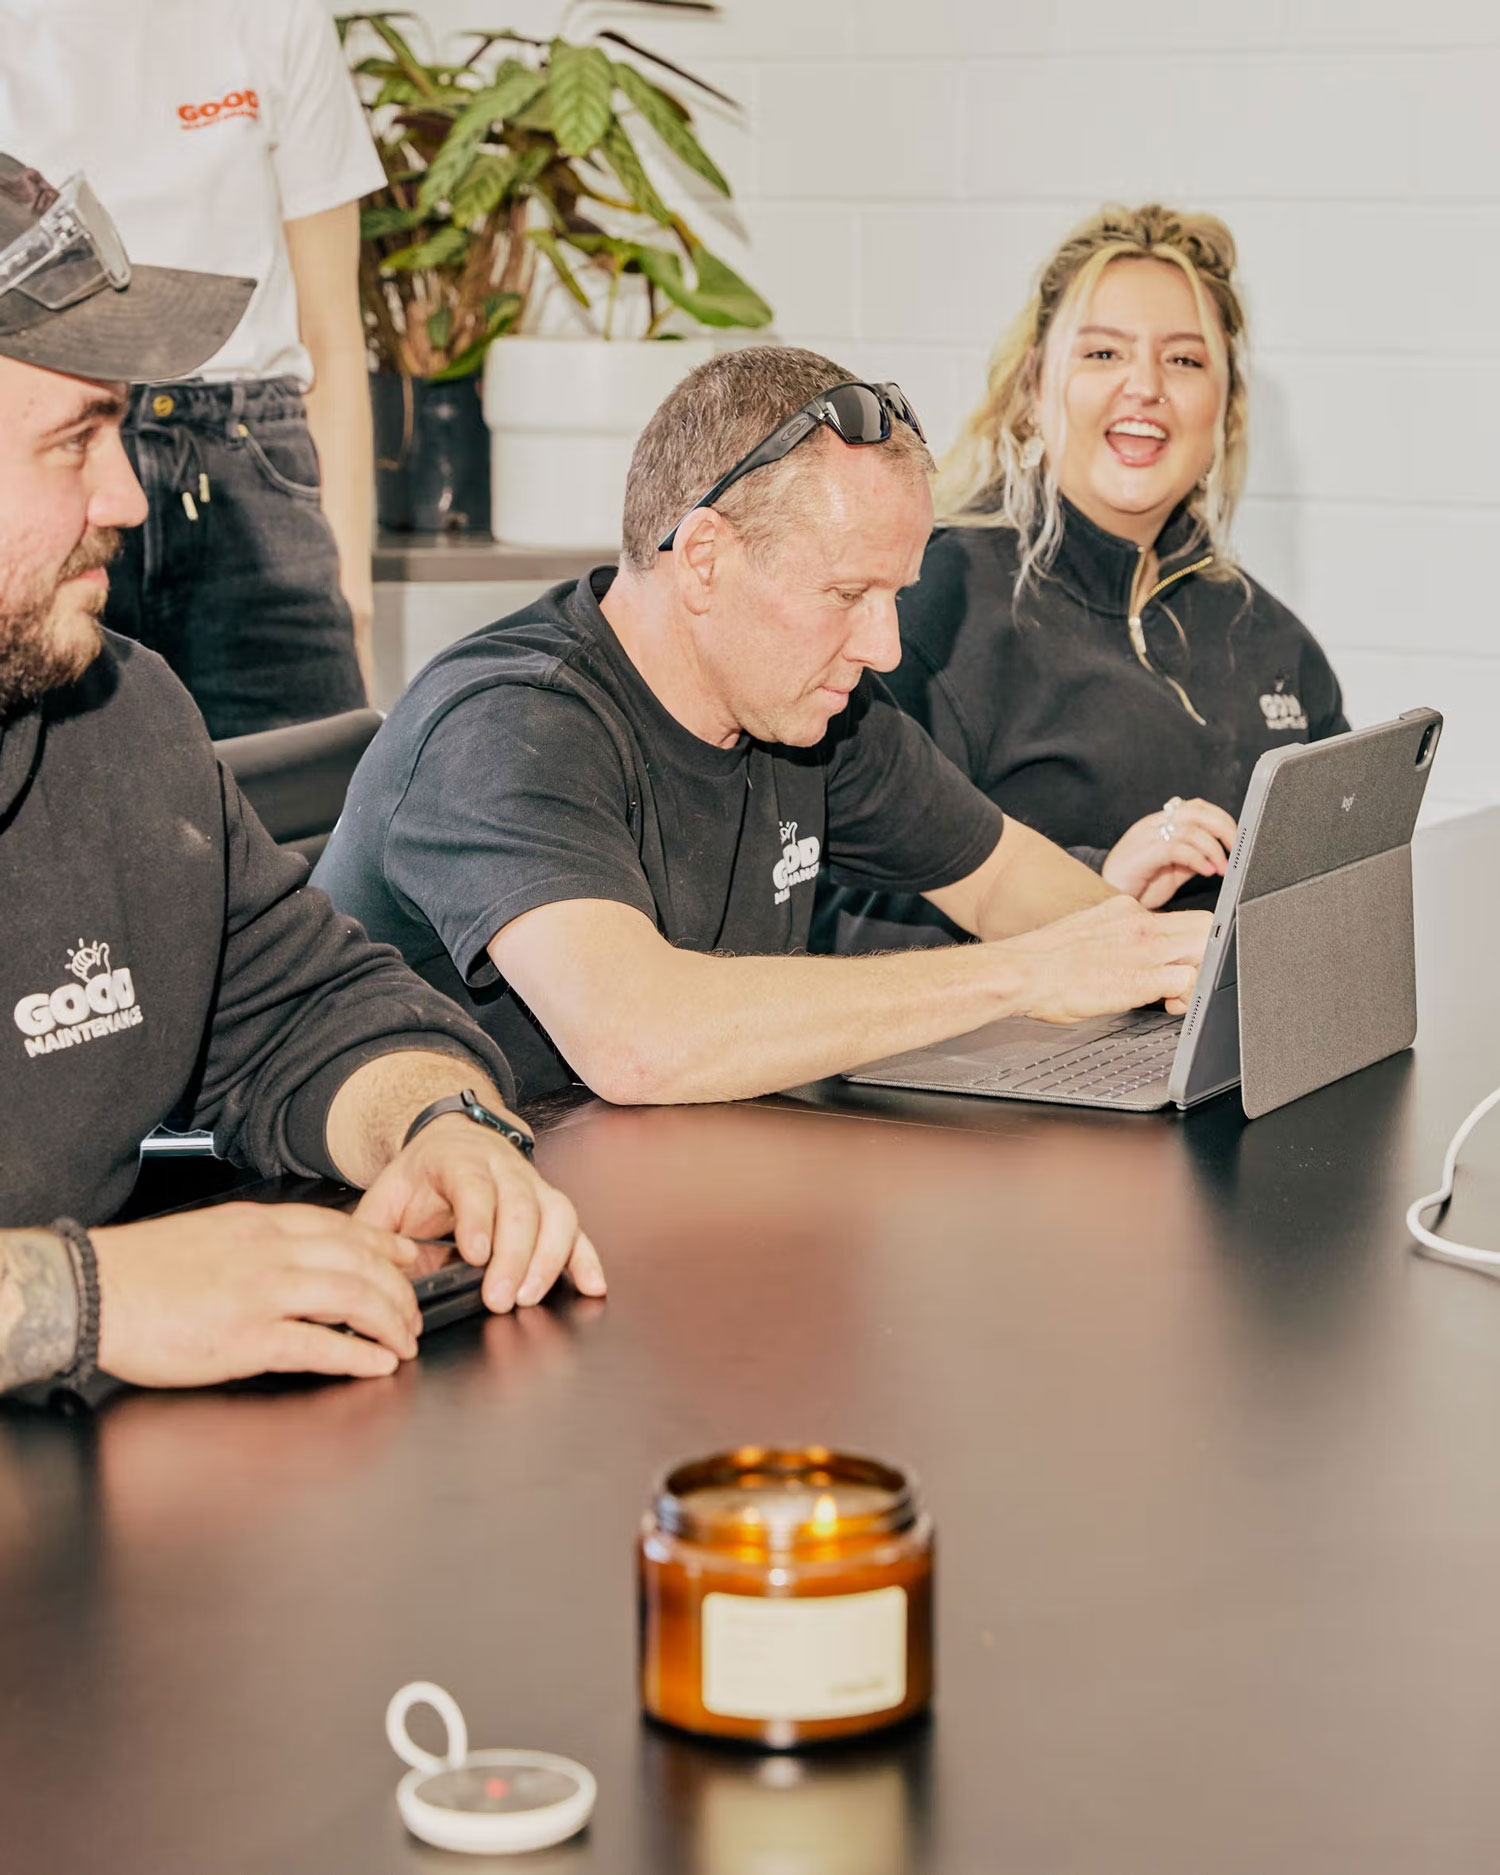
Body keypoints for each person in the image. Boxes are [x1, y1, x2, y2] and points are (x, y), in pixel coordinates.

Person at [0, 156, 604, 1400]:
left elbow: (302, 1006)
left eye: (122, 429)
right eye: (73, 442)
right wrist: (94, 1300)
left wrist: (439, 1126)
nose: (126, 496)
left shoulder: (120, 716)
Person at [312, 346, 1210, 1109]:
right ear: (704, 558)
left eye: (893, 596)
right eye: (849, 594)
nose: (886, 646)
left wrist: (1179, 961)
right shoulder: (507, 726)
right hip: (403, 1239)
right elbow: (639, 1039)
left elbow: (1000, 875)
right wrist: (1026, 974)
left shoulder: (815, 708)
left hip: (647, 1195)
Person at [815, 204, 1348, 955]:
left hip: (1235, 1063)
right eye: (1103, 354)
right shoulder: (931, 601)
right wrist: (1090, 888)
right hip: (995, 1065)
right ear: (1035, 389)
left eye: (1186, 360)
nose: (1146, 386)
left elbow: (1347, 906)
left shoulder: (1276, 644)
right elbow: (832, 917)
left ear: (1224, 408)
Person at [0, 0, 382, 736]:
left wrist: (353, 593)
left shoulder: (273, 17)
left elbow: (332, 335)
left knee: (309, 806)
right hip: (47, 460)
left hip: (249, 463)